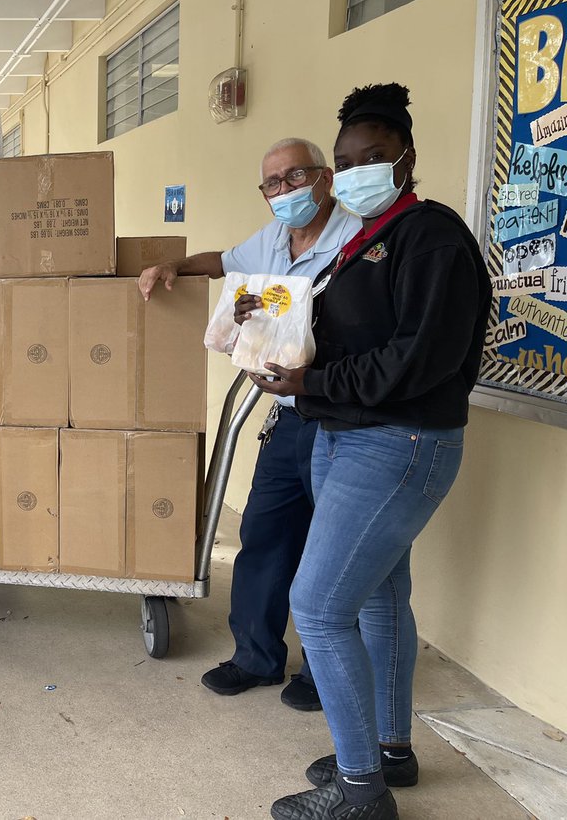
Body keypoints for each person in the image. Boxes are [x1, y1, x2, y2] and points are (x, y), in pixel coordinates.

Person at [247, 84, 489, 820]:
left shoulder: (431, 236)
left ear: (405, 157)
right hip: (343, 433)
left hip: (397, 443)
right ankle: (390, 751)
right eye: (346, 160)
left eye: (370, 158)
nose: (354, 172)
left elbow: (418, 357)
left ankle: (360, 793)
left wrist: (310, 377)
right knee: (381, 595)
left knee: (318, 608)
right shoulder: (362, 238)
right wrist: (265, 331)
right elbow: (353, 336)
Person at [140, 137, 358, 713]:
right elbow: (226, 261)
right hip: (285, 417)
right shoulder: (273, 242)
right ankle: (257, 657)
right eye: (272, 184)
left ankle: (319, 670)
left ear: (325, 179)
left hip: (341, 417)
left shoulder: (358, 240)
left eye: (294, 178)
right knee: (263, 535)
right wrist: (178, 266)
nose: (283, 192)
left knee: (326, 551)